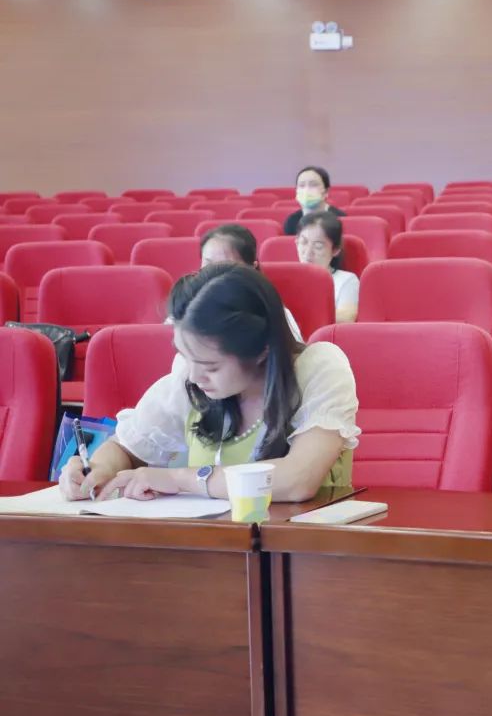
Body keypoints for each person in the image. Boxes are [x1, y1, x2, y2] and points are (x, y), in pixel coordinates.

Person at [59, 263, 360, 503]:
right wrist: (98, 469)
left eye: (210, 366)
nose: (193, 375)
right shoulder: (190, 379)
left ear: (261, 350)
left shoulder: (318, 368)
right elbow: (127, 445)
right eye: (185, 356)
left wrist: (179, 479)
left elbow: (297, 480)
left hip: (306, 547)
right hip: (215, 545)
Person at [198, 223, 303, 341]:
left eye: (226, 266)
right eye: (208, 263)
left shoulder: (273, 314)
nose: (214, 274)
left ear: (252, 268)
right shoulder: (188, 308)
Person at [296, 211, 359, 324]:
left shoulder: (347, 280)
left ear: (335, 250)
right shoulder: (287, 278)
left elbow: (346, 317)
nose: (308, 252)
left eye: (318, 246)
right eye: (303, 242)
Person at [284, 166, 347, 236]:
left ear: (326, 191)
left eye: (313, 185)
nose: (306, 190)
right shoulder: (292, 221)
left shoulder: (339, 218)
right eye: (302, 185)